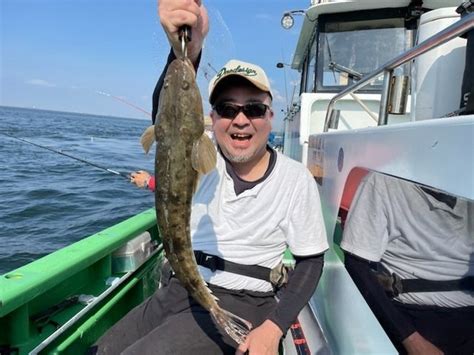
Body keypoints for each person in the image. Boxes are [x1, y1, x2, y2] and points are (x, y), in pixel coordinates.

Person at [94, 0, 329, 354]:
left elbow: (311, 261)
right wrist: (184, 49)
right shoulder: (200, 154)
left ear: (271, 115)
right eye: (226, 109)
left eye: (253, 108)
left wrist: (274, 327)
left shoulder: (295, 179)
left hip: (246, 297)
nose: (240, 119)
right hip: (180, 286)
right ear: (211, 117)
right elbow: (169, 114)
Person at [341, 172, 474, 354]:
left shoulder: (467, 192)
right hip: (413, 320)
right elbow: (357, 266)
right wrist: (411, 340)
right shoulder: (383, 183)